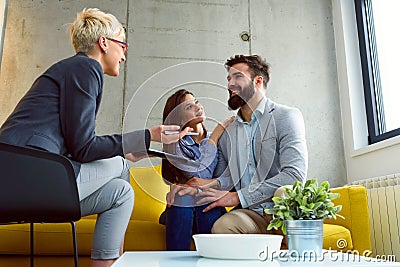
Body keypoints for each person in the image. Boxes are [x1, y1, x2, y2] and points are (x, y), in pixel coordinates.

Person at [0, 8, 189, 267]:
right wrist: (146, 136)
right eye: (122, 44)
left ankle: (108, 263)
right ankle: (118, 262)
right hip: (26, 175)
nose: (124, 54)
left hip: (27, 175)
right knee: (121, 165)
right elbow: (83, 148)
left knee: (121, 192)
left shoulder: (72, 70)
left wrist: (127, 146)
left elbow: (77, 144)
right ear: (103, 43)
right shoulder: (86, 67)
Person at [184, 54, 308, 236]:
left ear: (257, 81)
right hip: (250, 214)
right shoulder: (228, 134)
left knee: (285, 192)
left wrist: (238, 197)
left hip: (282, 211)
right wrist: (197, 186)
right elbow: (225, 179)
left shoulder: (286, 117)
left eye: (238, 77)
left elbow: (294, 176)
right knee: (221, 226)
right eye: (229, 79)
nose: (230, 84)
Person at [161, 89, 234, 250]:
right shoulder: (177, 143)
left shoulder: (220, 141)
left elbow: (228, 177)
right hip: (183, 210)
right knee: (183, 197)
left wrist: (205, 186)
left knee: (203, 198)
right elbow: (200, 174)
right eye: (188, 107)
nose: (197, 106)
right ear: (179, 119)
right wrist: (215, 135)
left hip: (207, 205)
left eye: (196, 101)